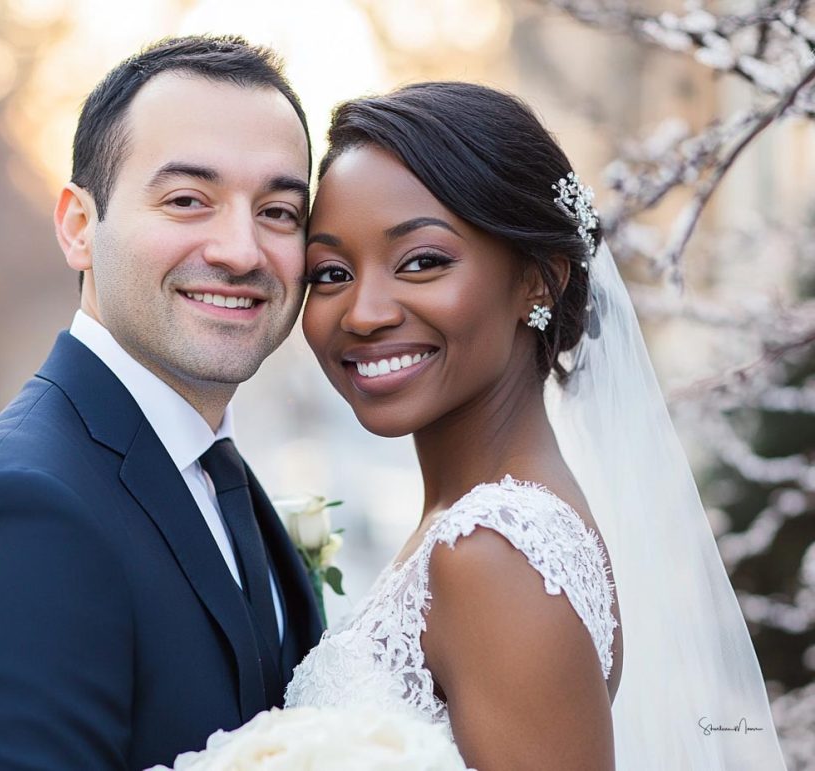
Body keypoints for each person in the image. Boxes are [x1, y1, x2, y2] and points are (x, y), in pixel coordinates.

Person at [284, 82, 786, 769]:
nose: (363, 312)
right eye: (331, 271)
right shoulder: (483, 524)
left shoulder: (493, 553)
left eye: (422, 261)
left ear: (539, 282)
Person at [0, 35, 322, 770]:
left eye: (278, 211)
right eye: (187, 201)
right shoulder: (12, 513)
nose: (242, 250)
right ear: (79, 226)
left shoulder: (219, 479)